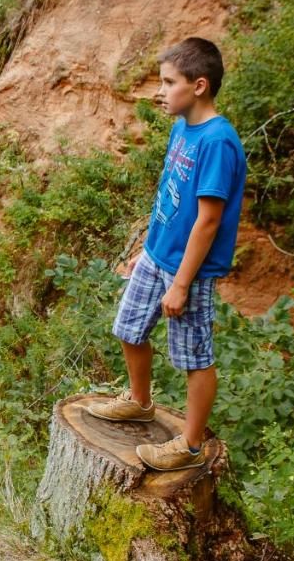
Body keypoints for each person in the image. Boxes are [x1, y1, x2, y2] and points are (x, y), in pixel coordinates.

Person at [87, 37, 247, 471]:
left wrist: (179, 283)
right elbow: (169, 198)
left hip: (188, 271)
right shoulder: (182, 128)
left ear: (198, 85)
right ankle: (140, 401)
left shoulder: (217, 141)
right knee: (128, 328)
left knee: (194, 357)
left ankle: (189, 446)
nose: (159, 91)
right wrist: (148, 248)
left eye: (167, 82)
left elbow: (208, 220)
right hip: (159, 255)